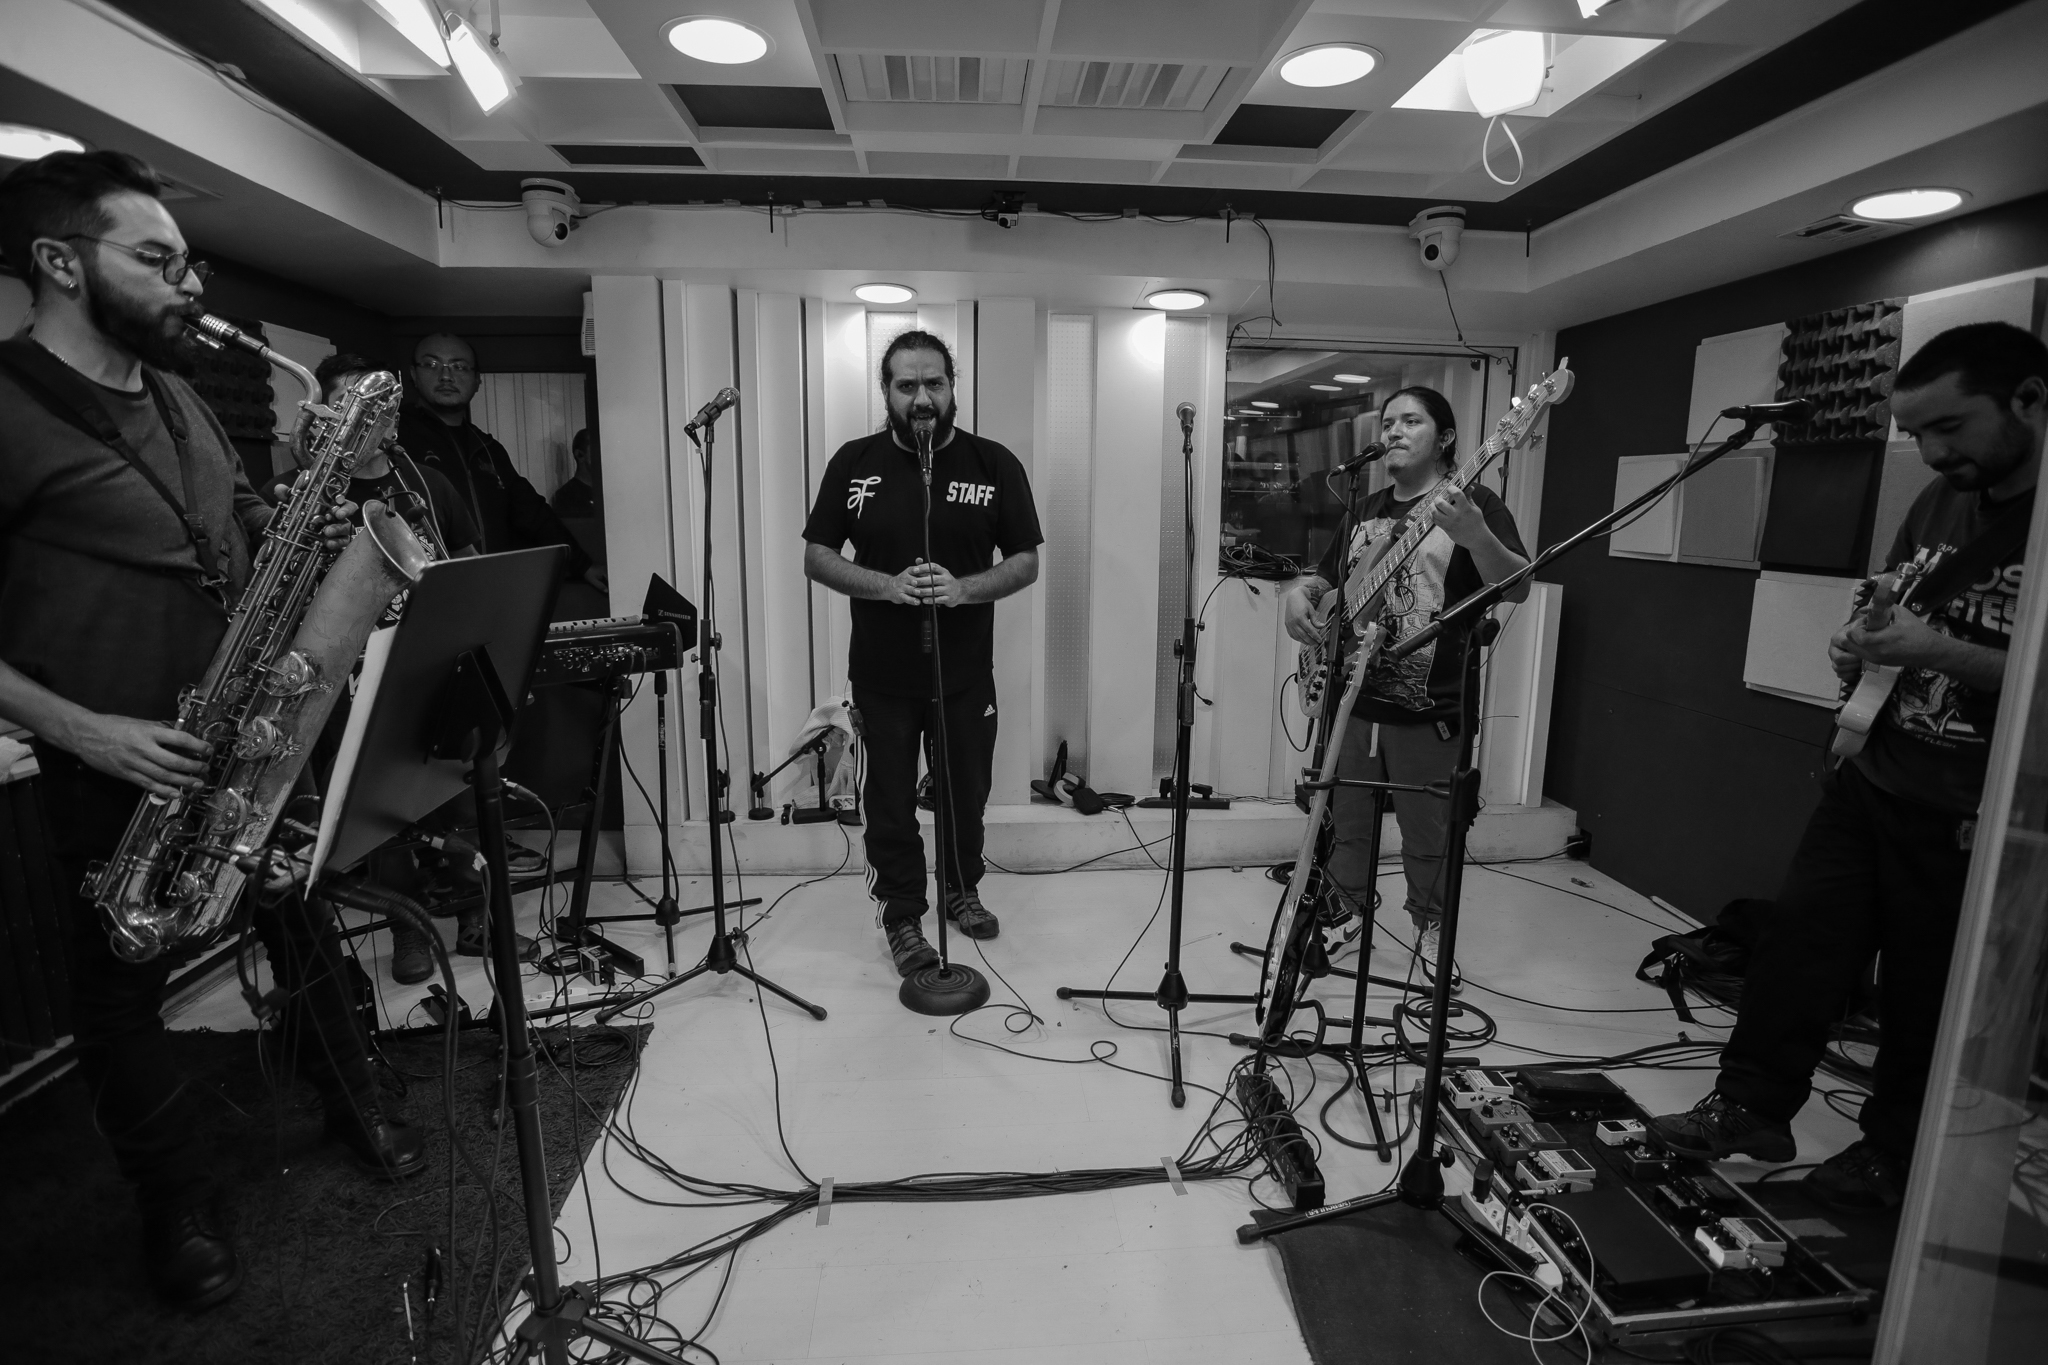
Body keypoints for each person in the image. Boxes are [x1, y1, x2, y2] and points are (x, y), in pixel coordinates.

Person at [0, 149, 425, 1312]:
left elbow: (233, 520)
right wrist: (87, 731)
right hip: (120, 762)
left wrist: (305, 516)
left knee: (300, 917)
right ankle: (173, 1203)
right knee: (121, 990)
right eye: (157, 259)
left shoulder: (179, 394)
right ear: (61, 263)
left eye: (189, 261)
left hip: (242, 732)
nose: (191, 285)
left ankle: (356, 1101)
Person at [1651, 322, 2046, 1213]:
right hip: (1876, 770)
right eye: (1917, 433)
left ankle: (1893, 1153)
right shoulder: (1943, 499)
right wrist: (1860, 642)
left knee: (1924, 990)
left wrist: (1938, 652)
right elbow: (1893, 599)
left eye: (1951, 426)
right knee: (1797, 948)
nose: (1932, 452)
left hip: (1977, 805)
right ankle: (1750, 1107)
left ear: (2029, 399)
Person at [802, 330, 1042, 978]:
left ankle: (961, 889)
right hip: (881, 678)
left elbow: (1025, 561)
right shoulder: (854, 463)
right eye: (907, 385)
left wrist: (965, 589)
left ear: (952, 386)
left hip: (965, 675)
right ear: (887, 392)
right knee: (888, 802)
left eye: (934, 382)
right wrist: (885, 585)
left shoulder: (994, 464)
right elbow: (817, 555)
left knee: (965, 792)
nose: (922, 398)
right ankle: (903, 915)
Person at [1280, 386, 1529, 982]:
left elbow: (1518, 585)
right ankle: (1347, 915)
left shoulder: (1476, 503)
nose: (1393, 431)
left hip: (1428, 706)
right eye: (1388, 421)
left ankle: (1432, 931)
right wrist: (1298, 594)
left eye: (1410, 421)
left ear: (1445, 439)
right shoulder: (1365, 509)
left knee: (1430, 834)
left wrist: (1475, 536)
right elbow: (1327, 580)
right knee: (1347, 826)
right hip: (1352, 701)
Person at [307, 353, 480, 985]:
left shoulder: (429, 483)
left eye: (375, 407)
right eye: (346, 406)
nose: (363, 418)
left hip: (432, 661)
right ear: (324, 417)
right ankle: (407, 927)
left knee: (460, 794)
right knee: (380, 811)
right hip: (352, 673)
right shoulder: (303, 496)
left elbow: (470, 564)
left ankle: (476, 913)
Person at [394, 332, 603, 592]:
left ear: (477, 380)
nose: (446, 375)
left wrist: (583, 565)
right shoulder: (394, 438)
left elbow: (533, 513)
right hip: (422, 592)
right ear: (413, 374)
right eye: (432, 364)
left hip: (489, 589)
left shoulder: (488, 449)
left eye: (459, 366)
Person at [550, 426, 598, 517]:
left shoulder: (606, 489)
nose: (601, 455)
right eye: (596, 449)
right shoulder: (566, 496)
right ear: (579, 455)